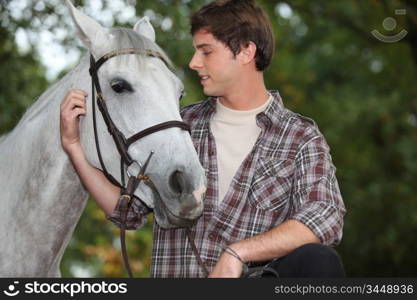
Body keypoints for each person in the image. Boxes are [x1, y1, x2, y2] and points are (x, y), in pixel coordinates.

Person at [60, 0, 346, 278]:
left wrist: (237, 253)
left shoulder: (300, 137)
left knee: (318, 261)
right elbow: (128, 213)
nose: (193, 63)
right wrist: (73, 148)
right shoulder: (178, 127)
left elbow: (326, 216)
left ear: (246, 52)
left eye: (205, 52)